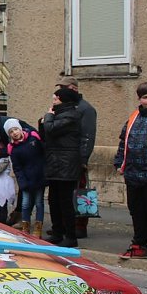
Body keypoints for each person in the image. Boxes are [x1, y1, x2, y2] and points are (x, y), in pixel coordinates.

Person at [39, 86, 83, 247]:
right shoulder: (58, 115)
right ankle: (57, 232)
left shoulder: (71, 115)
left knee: (65, 201)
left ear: (63, 100)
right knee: (53, 200)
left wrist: (48, 117)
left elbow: (50, 128)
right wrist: (44, 121)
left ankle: (70, 236)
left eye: (56, 98)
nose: (53, 101)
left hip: (66, 163)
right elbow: (45, 133)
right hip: (54, 162)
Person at [114, 81, 147, 259]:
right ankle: (139, 245)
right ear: (140, 99)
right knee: (137, 211)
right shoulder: (133, 118)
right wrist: (119, 162)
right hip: (133, 173)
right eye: (145, 97)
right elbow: (124, 143)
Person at [56, 76, 97, 239]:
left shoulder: (85, 109)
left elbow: (88, 135)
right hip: (63, 158)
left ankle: (80, 226)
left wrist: (83, 159)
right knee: (64, 195)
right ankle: (65, 225)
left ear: (73, 88)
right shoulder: (65, 107)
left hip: (76, 157)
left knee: (80, 192)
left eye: (62, 88)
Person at [5, 118, 47, 237]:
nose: (14, 133)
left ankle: (38, 229)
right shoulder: (12, 148)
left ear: (20, 129)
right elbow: (17, 168)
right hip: (26, 180)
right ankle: (25, 227)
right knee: (25, 204)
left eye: (16, 129)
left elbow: (43, 150)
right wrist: (22, 183)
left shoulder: (33, 137)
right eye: (11, 132)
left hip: (39, 176)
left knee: (39, 203)